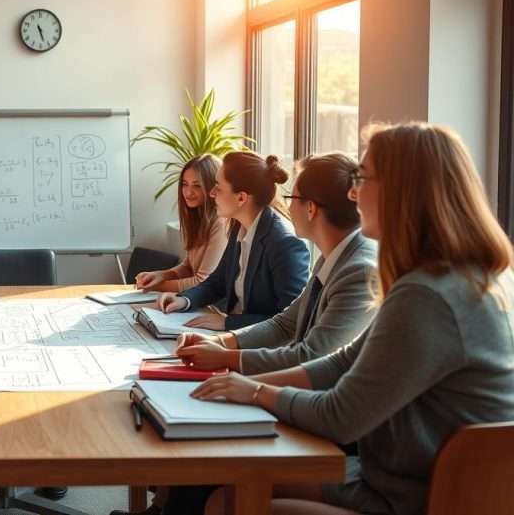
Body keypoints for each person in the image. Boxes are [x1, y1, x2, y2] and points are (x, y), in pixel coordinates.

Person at [191, 123, 514, 515]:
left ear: (402, 190)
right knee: (226, 480)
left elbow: (340, 416)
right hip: (402, 478)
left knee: (224, 502)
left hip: (410, 496)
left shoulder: (427, 296)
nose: (354, 192)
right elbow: (344, 360)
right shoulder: (462, 276)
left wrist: (255, 392)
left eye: (363, 177)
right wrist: (241, 383)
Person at [176, 152, 376, 374]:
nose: (286, 208)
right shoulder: (333, 256)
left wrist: (231, 362)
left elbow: (311, 356)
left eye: (292, 199)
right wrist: (220, 343)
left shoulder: (359, 269)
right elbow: (285, 323)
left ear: (310, 208)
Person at [157, 152, 310, 330]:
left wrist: (228, 323)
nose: (211, 193)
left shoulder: (284, 243)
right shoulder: (240, 225)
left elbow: (291, 321)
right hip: (235, 334)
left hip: (258, 345)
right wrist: (185, 300)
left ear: (241, 198)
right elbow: (218, 282)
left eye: (218, 188)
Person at [135, 154, 229, 293]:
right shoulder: (198, 217)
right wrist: (160, 275)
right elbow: (188, 267)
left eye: (197, 186)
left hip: (215, 307)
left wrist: (157, 287)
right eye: (184, 184)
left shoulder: (220, 223)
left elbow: (202, 281)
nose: (188, 192)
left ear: (212, 188)